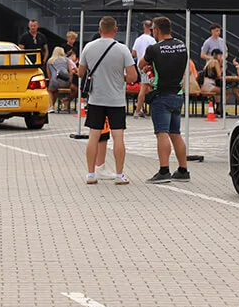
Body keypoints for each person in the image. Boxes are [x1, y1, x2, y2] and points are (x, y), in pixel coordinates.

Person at [76, 16, 137, 185]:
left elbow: (80, 73)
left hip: (96, 98)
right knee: (118, 137)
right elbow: (133, 76)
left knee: (93, 136)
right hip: (116, 100)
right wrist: (120, 77)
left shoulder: (88, 47)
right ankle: (119, 174)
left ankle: (90, 173)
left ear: (99, 29)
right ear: (116, 30)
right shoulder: (122, 49)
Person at [142, 16, 191, 184]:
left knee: (161, 133)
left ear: (156, 30)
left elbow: (141, 63)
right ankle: (183, 170)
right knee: (175, 133)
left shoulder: (154, 49)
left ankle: (164, 170)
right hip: (177, 94)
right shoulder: (181, 45)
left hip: (161, 95)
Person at [131, 19, 157, 118]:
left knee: (146, 87)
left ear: (143, 27)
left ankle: (140, 108)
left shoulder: (138, 39)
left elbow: (133, 53)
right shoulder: (152, 40)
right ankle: (138, 110)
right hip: (148, 66)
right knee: (145, 87)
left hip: (140, 65)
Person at [47, 46, 73, 111]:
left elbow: (49, 74)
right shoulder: (66, 60)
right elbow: (71, 72)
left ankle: (51, 106)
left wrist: (52, 81)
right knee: (55, 90)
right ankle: (54, 105)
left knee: (50, 90)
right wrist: (70, 81)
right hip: (66, 81)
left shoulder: (50, 61)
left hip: (55, 81)